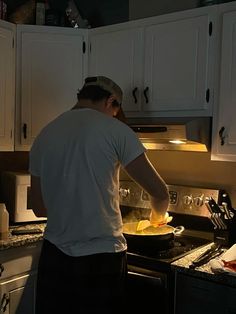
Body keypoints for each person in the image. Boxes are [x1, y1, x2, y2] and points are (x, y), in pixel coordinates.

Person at [29, 76, 170, 314]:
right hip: (101, 259)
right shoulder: (116, 131)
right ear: (111, 101)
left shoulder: (45, 134)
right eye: (116, 110)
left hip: (54, 258)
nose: (115, 116)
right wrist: (157, 219)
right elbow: (160, 193)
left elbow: (38, 208)